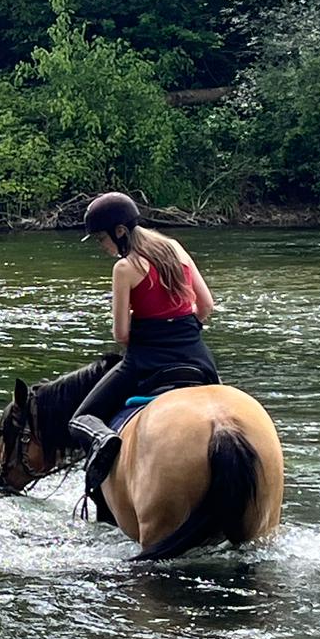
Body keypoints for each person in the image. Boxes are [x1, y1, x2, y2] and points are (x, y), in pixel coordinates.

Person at [69, 191, 217, 491]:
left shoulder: (124, 268)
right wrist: (180, 329)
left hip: (146, 361)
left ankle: (105, 440)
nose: (103, 246)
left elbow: (121, 335)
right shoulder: (175, 248)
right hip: (197, 358)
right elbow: (206, 307)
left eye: (102, 238)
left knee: (81, 418)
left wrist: (150, 328)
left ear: (120, 231)